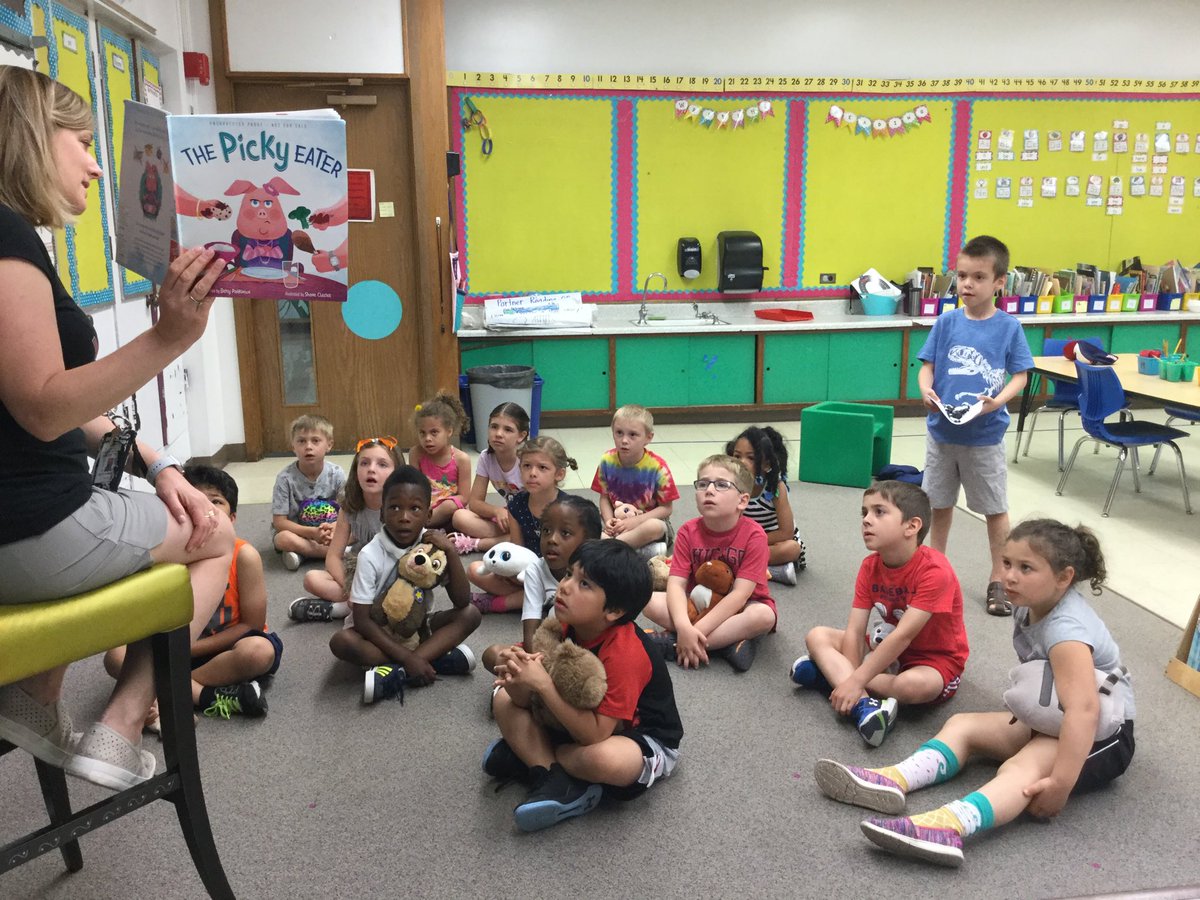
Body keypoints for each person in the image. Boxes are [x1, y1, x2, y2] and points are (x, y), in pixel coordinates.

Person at [0, 66, 232, 790]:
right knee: (216, 534)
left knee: (151, 509)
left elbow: (45, 407)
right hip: (30, 533)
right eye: (81, 141)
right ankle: (124, 725)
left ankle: (35, 698)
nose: (97, 166)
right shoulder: (6, 238)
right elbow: (45, 407)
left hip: (19, 527)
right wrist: (168, 339)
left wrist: (159, 466)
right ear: (33, 138)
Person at [813, 519, 1133, 868]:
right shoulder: (1030, 603)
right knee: (963, 725)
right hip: (1055, 714)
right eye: (1007, 563)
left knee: (1021, 767)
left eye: (1026, 568)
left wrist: (1060, 782)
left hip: (1102, 735)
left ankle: (949, 826)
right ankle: (895, 779)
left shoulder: (1066, 630)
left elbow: (1084, 711)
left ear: (1064, 577)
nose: (1009, 576)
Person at [485, 540, 683, 832]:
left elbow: (595, 735)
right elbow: (524, 699)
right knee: (503, 698)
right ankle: (553, 776)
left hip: (637, 736)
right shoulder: (565, 624)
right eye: (568, 574)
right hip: (575, 719)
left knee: (601, 759)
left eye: (584, 584)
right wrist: (517, 673)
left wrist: (543, 685)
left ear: (614, 610)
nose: (565, 586)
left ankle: (539, 761)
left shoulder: (627, 652)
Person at [790, 480, 968, 747]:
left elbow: (904, 635)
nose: (866, 520)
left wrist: (853, 679)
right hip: (885, 648)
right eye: (864, 512)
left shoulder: (935, 571)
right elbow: (855, 629)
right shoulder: (870, 566)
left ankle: (830, 678)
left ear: (912, 526)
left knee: (912, 687)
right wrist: (853, 679)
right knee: (817, 636)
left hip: (934, 659)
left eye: (879, 512)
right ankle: (864, 706)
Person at [917, 234, 1034, 617]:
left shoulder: (1008, 327)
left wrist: (998, 401)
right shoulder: (946, 322)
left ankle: (999, 578)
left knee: (994, 509)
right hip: (942, 432)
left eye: (979, 277)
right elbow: (928, 367)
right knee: (939, 503)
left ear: (999, 282)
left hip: (984, 437)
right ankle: (935, 569)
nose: (967, 284)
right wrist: (925, 390)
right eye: (962, 276)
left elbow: (1020, 375)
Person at [105, 466, 277, 722]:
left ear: (232, 518)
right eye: (192, 500)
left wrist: (186, 649)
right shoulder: (164, 556)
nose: (205, 509)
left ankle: (161, 692)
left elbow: (251, 625)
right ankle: (205, 696)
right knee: (114, 656)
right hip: (172, 648)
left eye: (216, 502)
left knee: (259, 652)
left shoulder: (244, 556)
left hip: (224, 649)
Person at [328, 466, 482, 704]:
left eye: (415, 509)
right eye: (394, 508)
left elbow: (461, 601)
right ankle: (428, 660)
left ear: (428, 515)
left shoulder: (433, 546)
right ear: (382, 514)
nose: (404, 517)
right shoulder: (370, 554)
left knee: (471, 614)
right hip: (376, 632)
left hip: (416, 626)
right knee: (341, 642)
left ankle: (395, 671)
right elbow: (362, 620)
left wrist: (451, 552)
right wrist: (409, 659)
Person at [640, 455, 776, 673]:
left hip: (742, 607)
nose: (709, 490)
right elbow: (675, 585)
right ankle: (725, 644)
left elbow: (740, 595)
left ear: (742, 501)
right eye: (703, 484)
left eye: (722, 485)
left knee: (763, 616)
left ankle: (675, 644)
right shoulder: (688, 531)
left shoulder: (755, 536)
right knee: (648, 600)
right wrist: (684, 626)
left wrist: (694, 630)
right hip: (698, 604)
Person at [480, 495, 603, 673]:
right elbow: (531, 629)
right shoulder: (535, 570)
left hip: (590, 651)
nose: (552, 539)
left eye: (565, 533)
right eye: (546, 530)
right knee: (493, 654)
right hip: (550, 647)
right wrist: (536, 666)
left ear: (589, 541)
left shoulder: (599, 572)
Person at [288, 435, 404, 623]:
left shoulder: (401, 508)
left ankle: (336, 610)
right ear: (356, 470)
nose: (371, 469)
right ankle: (356, 606)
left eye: (382, 464)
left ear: (397, 473)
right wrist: (353, 589)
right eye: (364, 463)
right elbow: (333, 557)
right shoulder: (350, 507)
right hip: (359, 570)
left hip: (393, 575)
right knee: (311, 578)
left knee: (400, 597)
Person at [467, 435, 575, 614]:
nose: (532, 473)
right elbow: (517, 548)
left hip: (558, 575)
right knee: (474, 569)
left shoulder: (568, 508)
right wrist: (512, 572)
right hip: (525, 573)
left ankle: (499, 603)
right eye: (526, 466)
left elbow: (573, 557)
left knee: (568, 588)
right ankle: (538, 599)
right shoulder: (516, 504)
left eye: (542, 467)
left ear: (559, 474)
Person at [591, 404, 678, 557]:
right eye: (619, 433)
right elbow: (604, 498)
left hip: (646, 523)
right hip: (617, 523)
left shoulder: (658, 467)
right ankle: (634, 550)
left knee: (654, 526)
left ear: (648, 437)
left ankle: (611, 548)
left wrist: (635, 522)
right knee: (585, 522)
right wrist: (610, 521)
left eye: (633, 435)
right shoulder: (606, 461)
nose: (624, 440)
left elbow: (666, 508)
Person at [726, 425, 806, 585]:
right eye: (737, 456)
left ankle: (745, 566)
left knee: (791, 549)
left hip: (771, 542)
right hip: (743, 543)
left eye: (751, 458)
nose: (742, 462)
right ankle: (769, 570)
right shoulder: (732, 486)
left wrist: (751, 542)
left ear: (766, 464)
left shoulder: (775, 488)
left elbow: (786, 532)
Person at [450, 402, 530, 554]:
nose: (498, 434)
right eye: (494, 427)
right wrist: (496, 511)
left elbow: (539, 507)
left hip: (531, 520)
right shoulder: (486, 457)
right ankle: (509, 539)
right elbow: (475, 502)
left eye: (508, 429)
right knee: (459, 517)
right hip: (508, 518)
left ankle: (478, 544)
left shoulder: (527, 462)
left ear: (521, 436)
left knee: (530, 535)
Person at [271, 414, 346, 571]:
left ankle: (303, 554)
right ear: (293, 446)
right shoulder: (284, 479)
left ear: (329, 445)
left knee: (358, 531)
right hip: (299, 532)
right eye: (301, 441)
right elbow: (279, 522)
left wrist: (332, 528)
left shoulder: (337, 474)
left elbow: (347, 512)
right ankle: (337, 552)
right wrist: (312, 533)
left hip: (332, 530)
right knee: (282, 539)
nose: (308, 446)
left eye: (315, 441)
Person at [408, 391, 472, 529]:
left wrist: (445, 506)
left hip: (450, 512)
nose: (427, 438)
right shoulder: (416, 454)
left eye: (434, 432)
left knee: (456, 512)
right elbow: (413, 488)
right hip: (423, 507)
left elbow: (464, 497)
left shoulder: (461, 459)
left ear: (449, 431)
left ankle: (419, 527)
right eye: (422, 433)